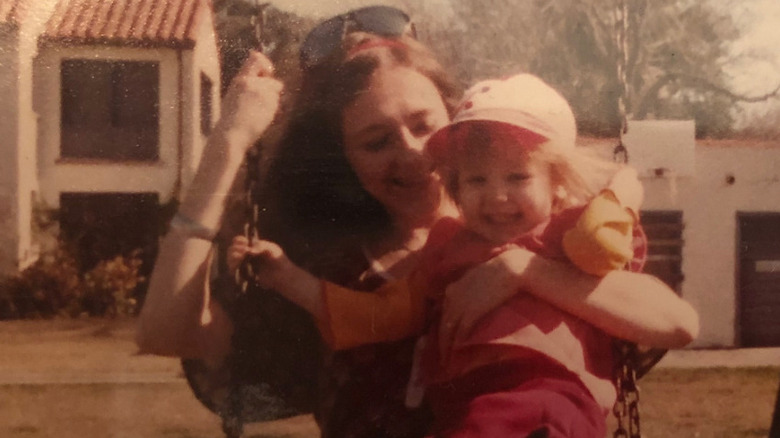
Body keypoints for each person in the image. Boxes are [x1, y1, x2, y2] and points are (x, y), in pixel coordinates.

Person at [137, 6, 699, 438]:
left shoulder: (548, 234)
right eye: (376, 141)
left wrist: (523, 271)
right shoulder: (333, 271)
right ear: (345, 160)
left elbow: (674, 321)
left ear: (458, 121)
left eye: (423, 124)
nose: (410, 155)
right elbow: (167, 332)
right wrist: (228, 145)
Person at [230, 73, 690, 437]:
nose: (497, 198)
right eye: (476, 181)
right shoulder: (450, 252)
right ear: (454, 188)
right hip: (465, 410)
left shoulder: (567, 241)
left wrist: (621, 189)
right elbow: (381, 316)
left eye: (517, 178)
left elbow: (608, 249)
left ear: (558, 183)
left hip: (546, 403)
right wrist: (288, 277)